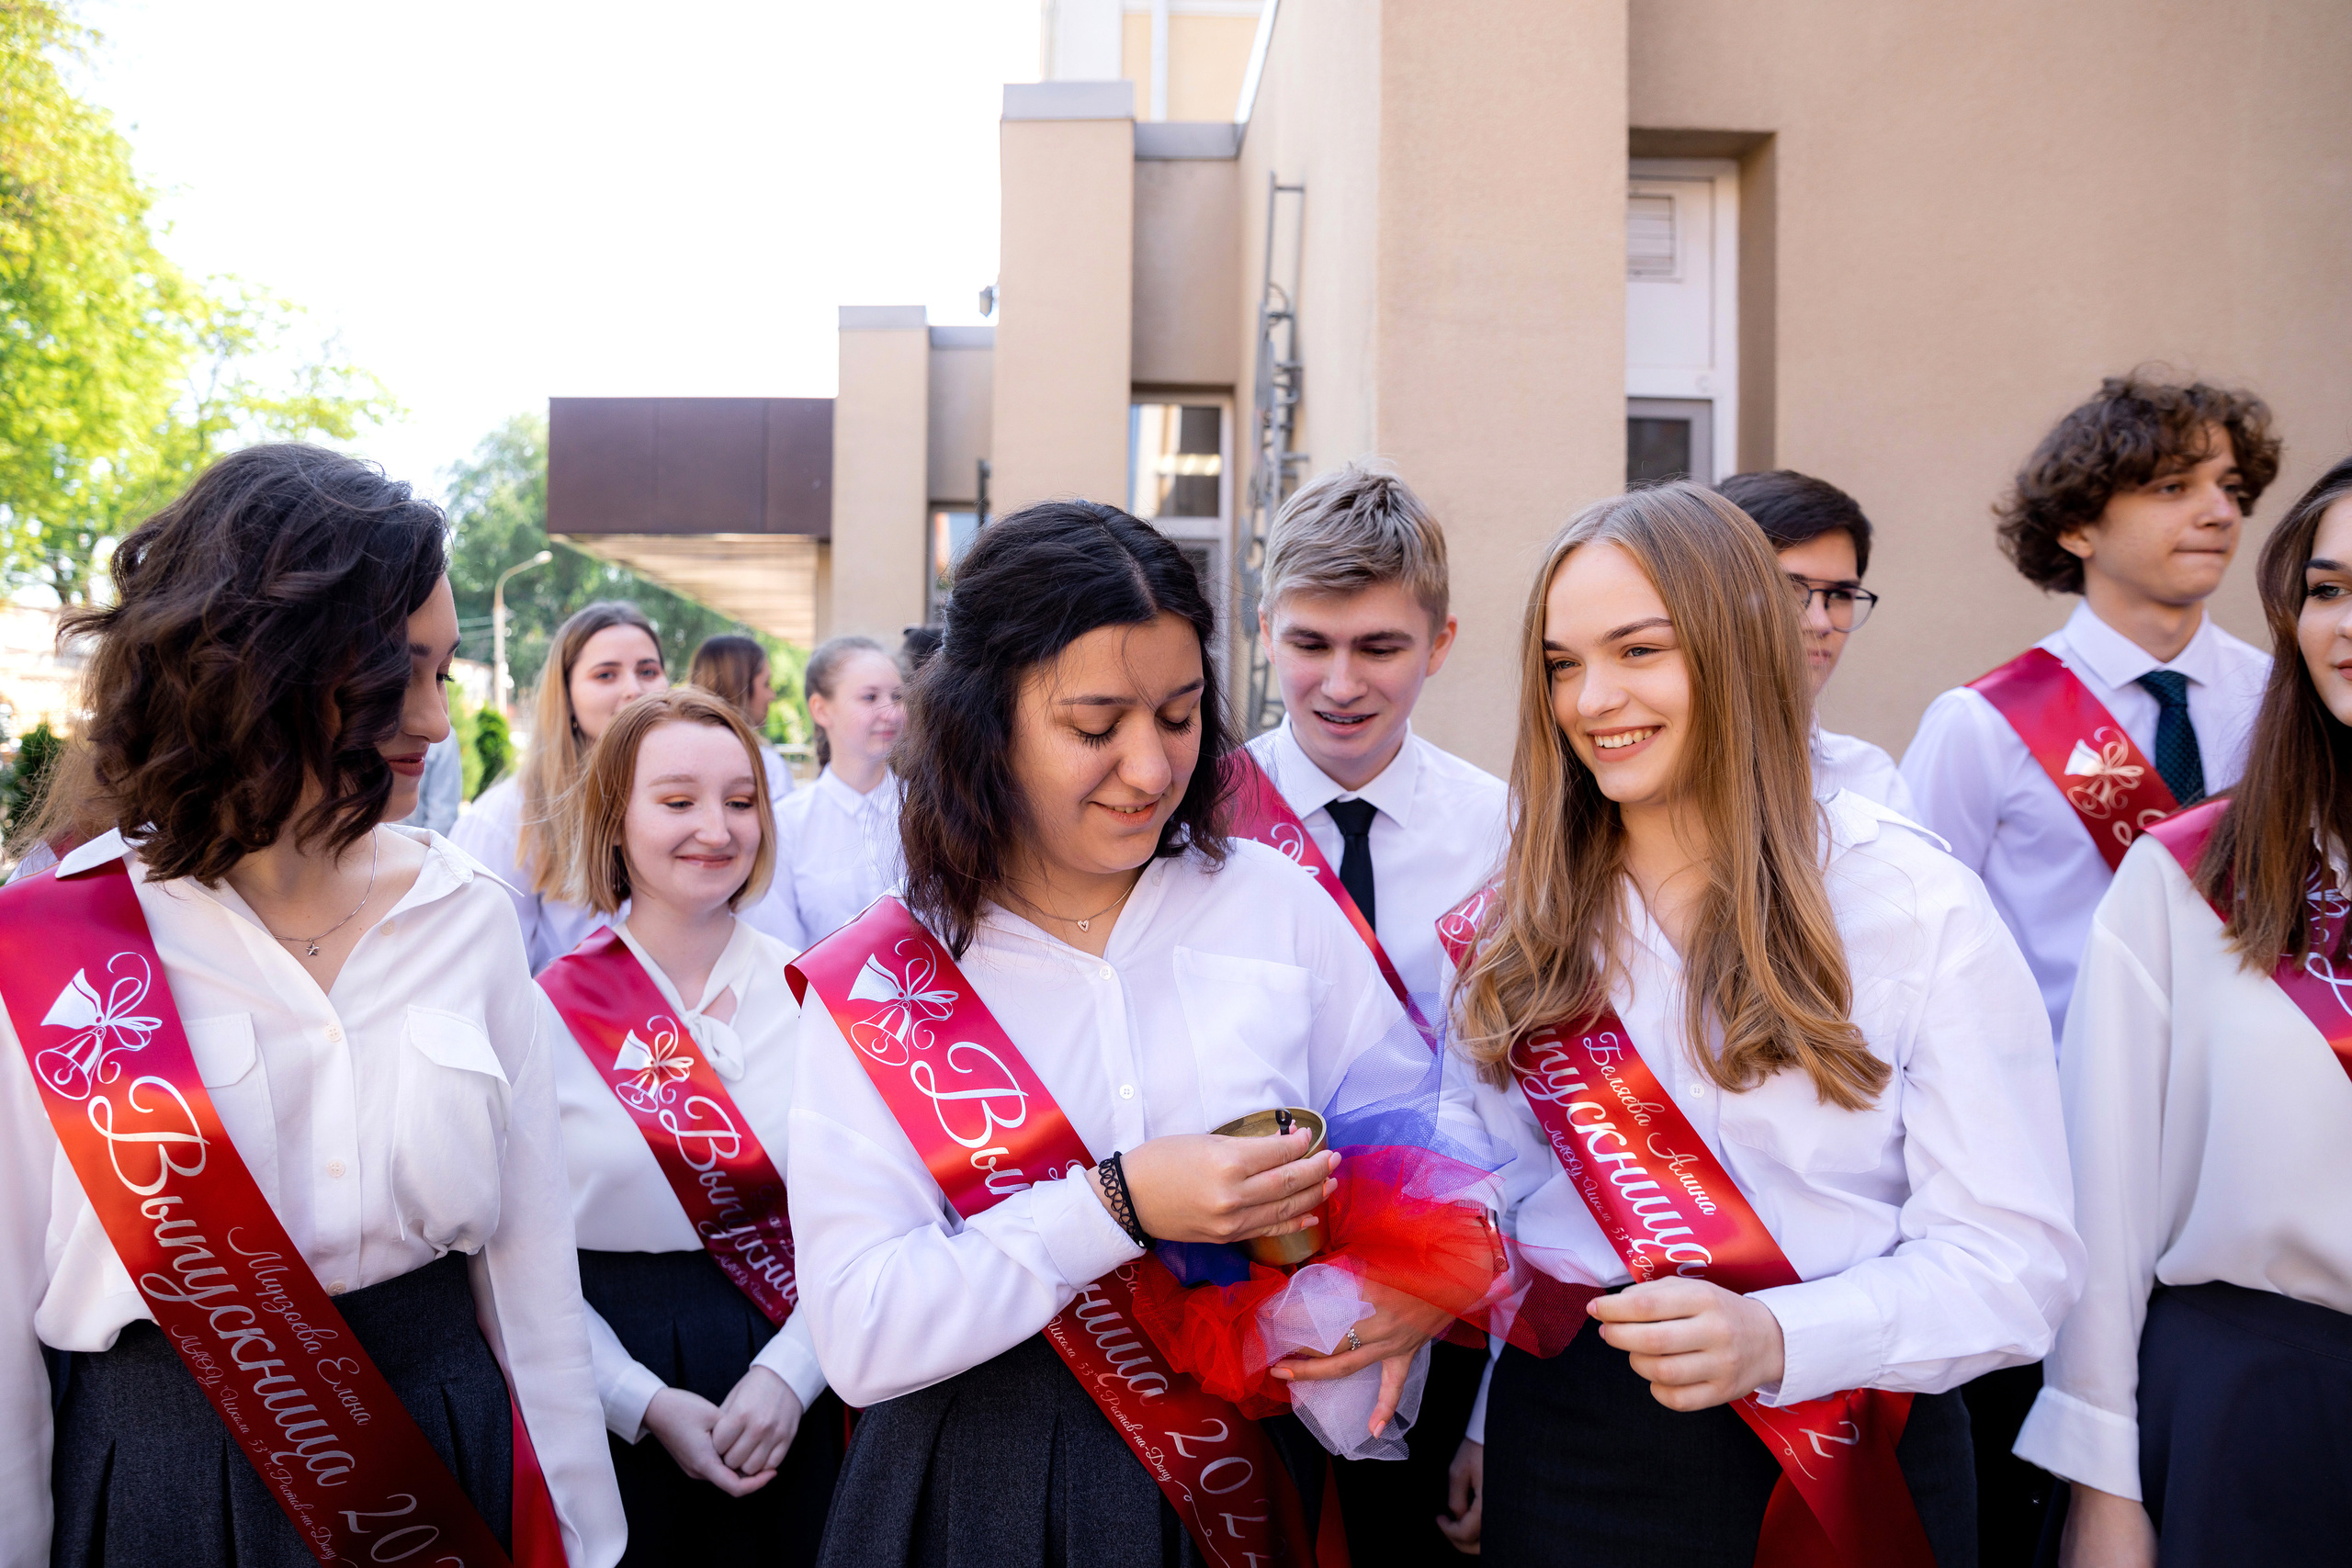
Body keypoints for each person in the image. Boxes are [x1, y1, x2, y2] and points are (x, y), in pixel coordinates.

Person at [786, 502, 1467, 1567]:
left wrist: (1406, 1287)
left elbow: (1436, 1136)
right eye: (1096, 727)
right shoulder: (891, 978)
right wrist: (1115, 1203)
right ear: (983, 722)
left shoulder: (1272, 902)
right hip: (977, 1484)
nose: (1151, 769)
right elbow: (861, 1331)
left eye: (1180, 716)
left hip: (1239, 1474)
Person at [0, 444, 623, 1567]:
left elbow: (532, 1278)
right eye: (401, 675)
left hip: (439, 1465)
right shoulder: (54, 948)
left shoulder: (467, 917)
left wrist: (583, 1539)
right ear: (260, 669)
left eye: (444, 675)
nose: (436, 722)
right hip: (164, 1487)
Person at [1442, 482, 2080, 1566]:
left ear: (1738, 646)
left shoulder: (1909, 903)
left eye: (1638, 650)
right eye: (1560, 663)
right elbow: (1485, 1198)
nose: (1592, 699)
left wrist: (1780, 1336)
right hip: (1579, 1448)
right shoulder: (1518, 917)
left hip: (1857, 1444)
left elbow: (2016, 1265)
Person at [1896, 376, 2278, 1558]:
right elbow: (1907, 964)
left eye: (2228, 486)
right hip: (2051, 1168)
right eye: (2170, 487)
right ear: (2075, 524)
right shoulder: (1982, 724)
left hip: (2242, 1167)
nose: (2214, 512)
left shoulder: (2285, 707)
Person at [2014, 455, 2352, 1566]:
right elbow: (2106, 1197)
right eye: (2328, 589)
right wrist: (2100, 1482)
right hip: (2257, 1411)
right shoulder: (2192, 875)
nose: (2347, 623)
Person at [1238, 461, 1507, 1562]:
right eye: (1310, 643)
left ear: (1440, 644)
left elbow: (1534, 1102)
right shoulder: (1193, 822)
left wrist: (1474, 1375)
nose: (1341, 683)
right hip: (1229, 1307)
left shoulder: (1508, 833)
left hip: (1445, 1312)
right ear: (1263, 630)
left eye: (1380, 647)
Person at [538, 687, 842, 1566]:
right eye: (677, 801)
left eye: (741, 801)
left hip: (799, 1370)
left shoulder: (816, 997)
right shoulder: (545, 1012)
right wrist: (637, 1399)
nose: (717, 828)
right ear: (614, 819)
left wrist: (790, 1374)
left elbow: (870, 1217)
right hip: (612, 1388)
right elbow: (517, 1260)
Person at [453, 601, 668, 973]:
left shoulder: (694, 804)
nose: (634, 690)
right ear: (566, 695)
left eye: (648, 671)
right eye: (606, 675)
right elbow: (481, 978)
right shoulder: (506, 820)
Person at [1716, 469, 1914, 814]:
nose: (1820, 622)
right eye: (1787, 589)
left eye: (1839, 595)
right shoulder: (1644, 766)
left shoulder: (1870, 781)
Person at [765, 635, 903, 948]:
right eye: (870, 697)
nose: (891, 713)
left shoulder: (933, 812)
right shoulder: (786, 823)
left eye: (897, 696)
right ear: (821, 709)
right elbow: (779, 944)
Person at [689, 633, 796, 807]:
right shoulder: (765, 765)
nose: (772, 695)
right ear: (741, 688)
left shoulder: (678, 754)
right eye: (766, 684)